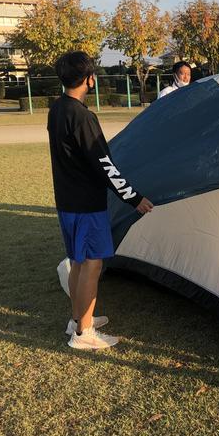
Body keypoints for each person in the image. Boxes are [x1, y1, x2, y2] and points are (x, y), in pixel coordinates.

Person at [48, 51, 154, 350]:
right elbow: (105, 165)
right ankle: (84, 333)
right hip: (86, 205)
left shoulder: (57, 109)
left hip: (67, 202)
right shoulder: (83, 117)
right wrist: (133, 198)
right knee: (91, 266)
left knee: (78, 262)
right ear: (89, 79)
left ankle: (78, 319)